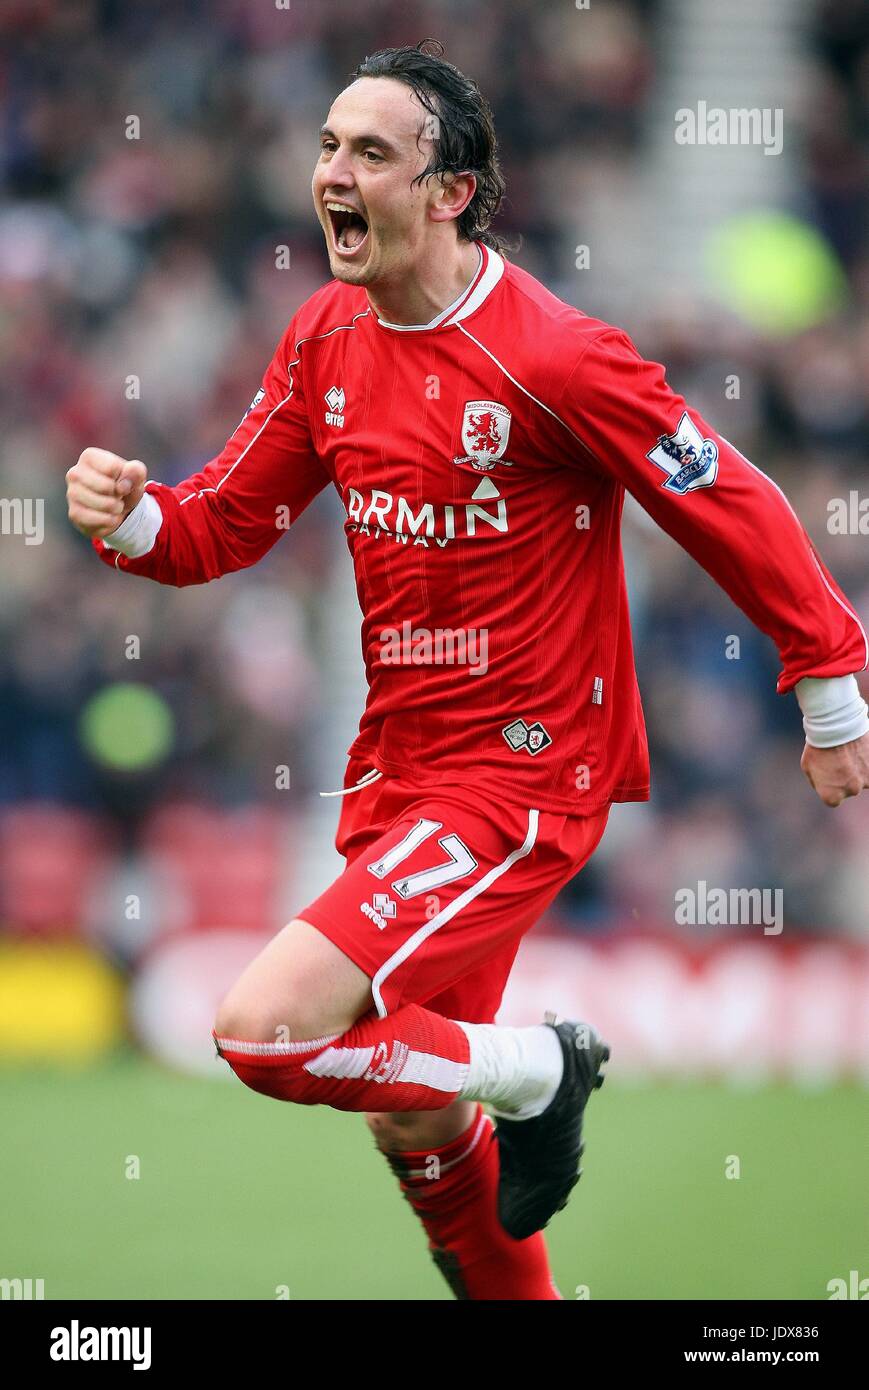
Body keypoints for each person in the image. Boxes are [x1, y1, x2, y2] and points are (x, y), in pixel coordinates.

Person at [65, 40, 869, 1301]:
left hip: (521, 776)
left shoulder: (550, 354)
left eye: (370, 152)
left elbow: (726, 496)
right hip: (399, 774)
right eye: (328, 145)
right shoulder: (325, 335)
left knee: (261, 1031)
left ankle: (543, 1070)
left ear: (448, 192)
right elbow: (217, 525)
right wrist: (128, 519)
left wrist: (826, 683)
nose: (332, 171)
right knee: (417, 1123)